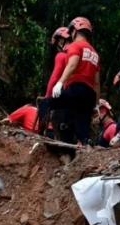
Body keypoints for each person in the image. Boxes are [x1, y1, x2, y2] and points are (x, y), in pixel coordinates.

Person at [36, 17, 100, 145]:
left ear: (75, 31)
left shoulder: (75, 46)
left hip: (75, 88)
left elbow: (72, 65)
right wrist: (96, 105)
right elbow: (96, 82)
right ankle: (88, 148)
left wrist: (60, 83)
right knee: (82, 131)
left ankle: (39, 136)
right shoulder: (95, 54)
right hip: (89, 95)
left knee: (45, 104)